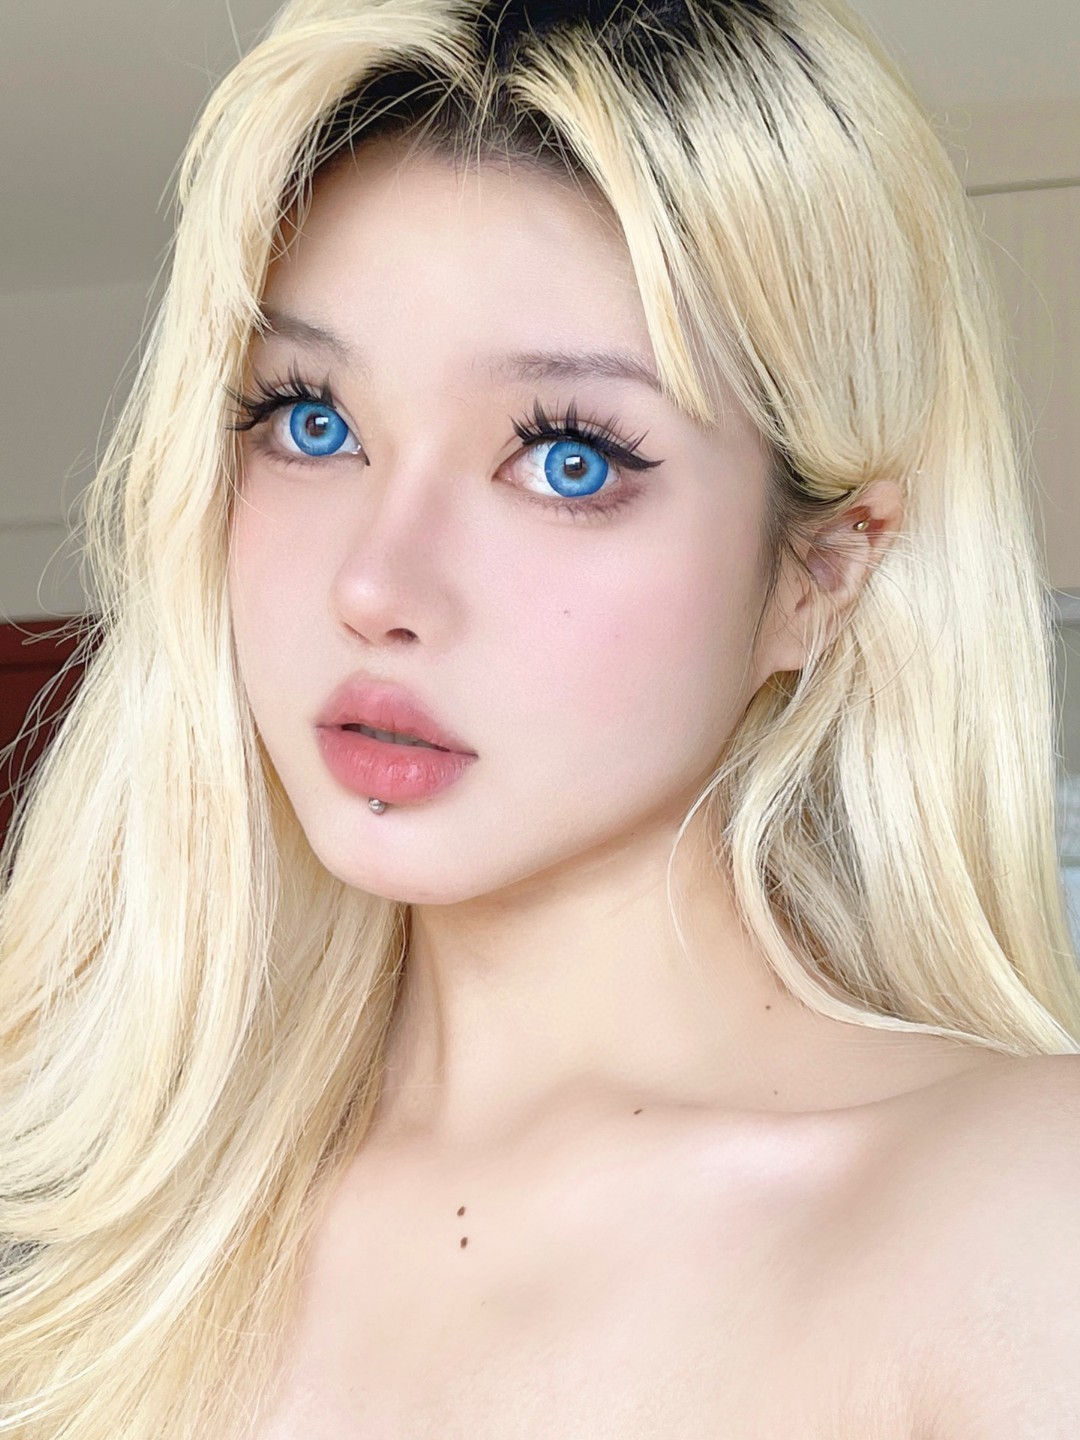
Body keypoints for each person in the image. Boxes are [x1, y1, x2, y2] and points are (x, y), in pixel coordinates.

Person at [2, 0, 1079, 1434]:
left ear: (819, 572)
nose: (377, 585)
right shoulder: (91, 1226)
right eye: (312, 420)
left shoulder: (1022, 1221)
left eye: (568, 458)